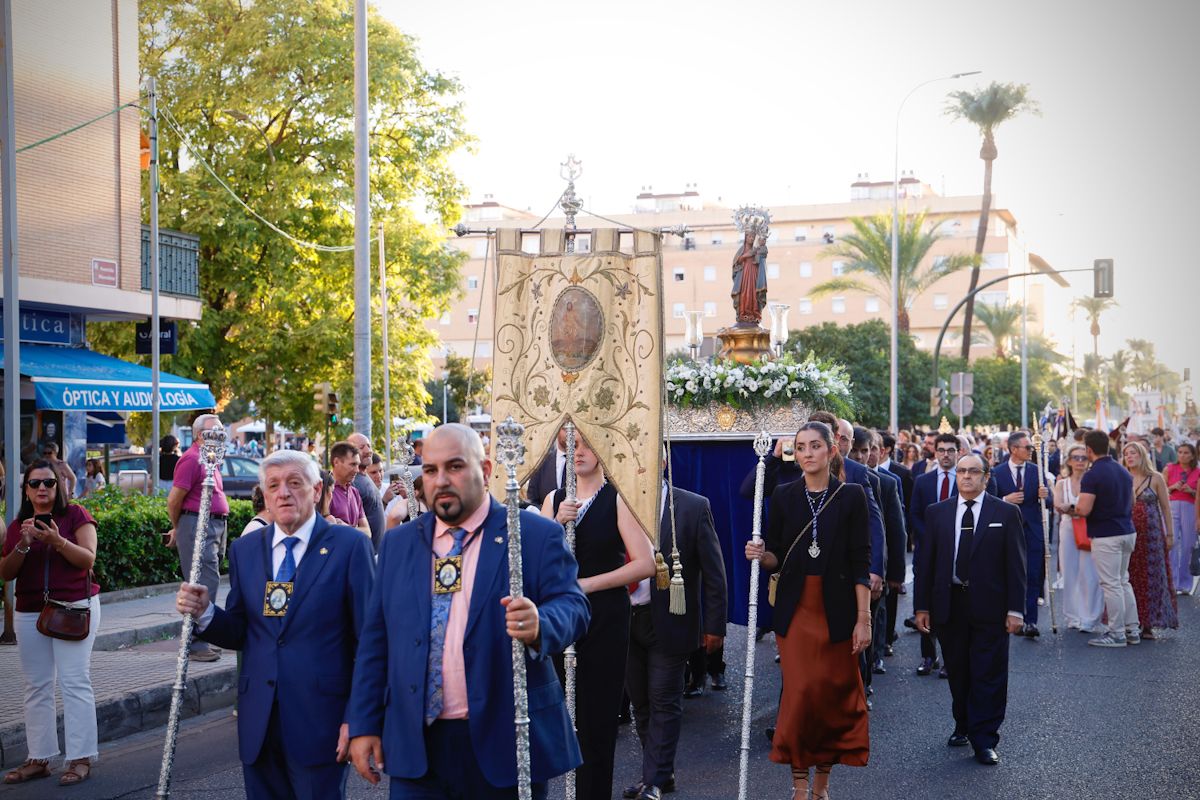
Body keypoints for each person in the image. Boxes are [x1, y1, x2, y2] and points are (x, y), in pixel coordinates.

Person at [346, 423, 590, 799]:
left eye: (455, 467)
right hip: (418, 747)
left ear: (487, 469)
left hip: (505, 741)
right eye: (430, 470)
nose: (441, 480)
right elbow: (375, 640)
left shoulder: (532, 534)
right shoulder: (399, 544)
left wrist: (540, 623)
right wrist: (363, 722)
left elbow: (574, 606)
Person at [175, 449, 376, 799]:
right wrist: (205, 612)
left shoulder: (349, 546)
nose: (284, 492)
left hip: (321, 722)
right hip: (259, 723)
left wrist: (358, 718)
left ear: (316, 491)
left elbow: (370, 642)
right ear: (265, 496)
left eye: (294, 483)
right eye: (274, 485)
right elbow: (241, 630)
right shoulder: (245, 549)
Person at [744, 421, 870, 800]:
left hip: (837, 610)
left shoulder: (852, 497)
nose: (807, 453)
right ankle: (799, 786)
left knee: (829, 697)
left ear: (832, 451)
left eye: (815, 446)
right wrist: (762, 554)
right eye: (801, 447)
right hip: (796, 610)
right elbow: (778, 554)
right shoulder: (783, 495)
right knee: (800, 694)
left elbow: (860, 559)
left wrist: (863, 619)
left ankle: (822, 786)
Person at [544, 433, 655, 800]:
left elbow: (645, 564)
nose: (577, 452)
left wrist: (589, 584)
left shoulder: (618, 498)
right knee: (559, 717)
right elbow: (538, 562)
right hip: (560, 619)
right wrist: (557, 524)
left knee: (595, 721)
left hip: (604, 618)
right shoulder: (553, 500)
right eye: (570, 446)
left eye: (585, 445)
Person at [913, 454, 1026, 766]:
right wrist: (921, 606)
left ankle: (985, 738)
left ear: (986, 477)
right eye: (961, 471)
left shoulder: (1005, 512)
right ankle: (963, 722)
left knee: (989, 673)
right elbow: (926, 564)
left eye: (973, 472)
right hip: (949, 605)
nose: (966, 477)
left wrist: (1016, 610)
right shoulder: (937, 513)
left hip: (991, 606)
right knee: (959, 671)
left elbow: (1016, 565)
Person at [622, 465, 727, 800]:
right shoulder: (619, 503)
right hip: (627, 618)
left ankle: (653, 778)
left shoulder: (693, 506)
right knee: (640, 702)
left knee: (664, 699)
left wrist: (714, 626)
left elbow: (714, 572)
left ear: (662, 461)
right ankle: (659, 773)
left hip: (671, 618)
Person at [0, 461, 100, 787]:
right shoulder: (18, 526)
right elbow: (5, 573)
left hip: (73, 607)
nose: (42, 488)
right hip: (31, 612)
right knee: (37, 685)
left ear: (58, 486)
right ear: (26, 490)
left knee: (74, 682)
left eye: (48, 482)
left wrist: (57, 541)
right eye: (34, 483)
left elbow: (87, 559)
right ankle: (39, 758)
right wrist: (24, 544)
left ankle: (80, 757)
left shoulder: (75, 516)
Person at [166, 414, 228, 663]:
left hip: (213, 524)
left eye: (222, 431)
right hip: (198, 523)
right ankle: (195, 641)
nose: (222, 436)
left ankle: (204, 636)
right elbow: (174, 499)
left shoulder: (210, 458)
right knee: (203, 580)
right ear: (201, 435)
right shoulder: (192, 458)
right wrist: (178, 526)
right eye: (217, 431)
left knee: (209, 579)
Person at [1074, 430, 1139, 647]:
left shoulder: (1093, 475)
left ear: (1089, 449)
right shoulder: (1122, 470)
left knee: (1111, 584)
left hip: (1106, 533)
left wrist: (1069, 507)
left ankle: (1117, 633)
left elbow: (1083, 509)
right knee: (1122, 581)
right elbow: (1132, 501)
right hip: (1126, 529)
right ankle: (1132, 629)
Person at [907, 433, 962, 676]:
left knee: (953, 606)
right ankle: (928, 656)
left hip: (959, 552)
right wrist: (931, 539)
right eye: (942, 450)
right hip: (928, 553)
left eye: (951, 450)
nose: (946, 454)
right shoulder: (923, 481)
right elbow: (915, 514)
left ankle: (951, 659)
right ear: (935, 452)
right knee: (925, 602)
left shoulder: (965, 480)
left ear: (958, 452)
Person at [992, 431, 1053, 638]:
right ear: (1013, 449)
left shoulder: (1037, 470)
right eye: (1027, 447)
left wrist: (1045, 495)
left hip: (1032, 530)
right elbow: (989, 500)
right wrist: (1005, 499)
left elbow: (1049, 502)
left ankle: (1031, 621)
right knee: (1005, 573)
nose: (1031, 451)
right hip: (1006, 530)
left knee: (1033, 575)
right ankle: (1007, 615)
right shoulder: (997, 472)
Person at [1122, 442, 1178, 637]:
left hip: (1152, 535)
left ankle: (1148, 623)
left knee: (1152, 576)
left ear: (1142, 455)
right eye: (1126, 453)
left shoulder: (1156, 478)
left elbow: (1165, 508)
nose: (1129, 456)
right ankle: (1131, 620)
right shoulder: (1124, 478)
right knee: (1130, 576)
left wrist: (1170, 534)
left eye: (1133, 453)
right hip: (1128, 533)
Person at [1053, 444, 1104, 632]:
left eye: (1083, 458)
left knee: (1090, 572)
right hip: (1068, 529)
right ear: (1069, 460)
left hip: (1089, 526)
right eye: (1076, 457)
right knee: (1070, 572)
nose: (1080, 461)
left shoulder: (1094, 481)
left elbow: (1095, 506)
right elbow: (1058, 505)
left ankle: (1089, 616)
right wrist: (1077, 508)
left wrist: (1072, 507)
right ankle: (1073, 616)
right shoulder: (1061, 483)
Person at [1165, 441, 1198, 594]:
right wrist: (1172, 487)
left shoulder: (1197, 471)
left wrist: (1191, 491)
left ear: (1192, 456)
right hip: (1172, 507)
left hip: (1190, 508)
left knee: (1188, 545)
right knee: (1172, 543)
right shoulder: (1170, 468)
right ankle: (1172, 582)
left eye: (1186, 453)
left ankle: (1185, 583)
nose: (1182, 455)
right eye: (1180, 452)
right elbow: (1161, 489)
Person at [346, 433, 386, 551]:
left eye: (369, 446)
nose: (368, 450)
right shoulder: (352, 482)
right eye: (362, 447)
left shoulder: (364, 476)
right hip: (365, 555)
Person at [328, 442, 371, 537]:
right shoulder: (324, 492)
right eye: (352, 464)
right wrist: (357, 530)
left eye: (358, 465)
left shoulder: (354, 492)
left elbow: (368, 533)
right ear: (336, 462)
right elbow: (325, 532)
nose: (357, 470)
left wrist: (344, 527)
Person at [525, 427, 568, 508]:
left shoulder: (586, 463)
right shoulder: (541, 462)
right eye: (565, 429)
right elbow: (532, 501)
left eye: (574, 428)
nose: (570, 433)